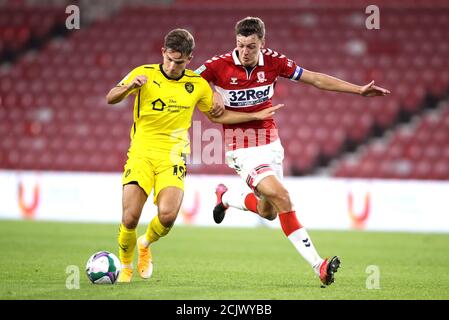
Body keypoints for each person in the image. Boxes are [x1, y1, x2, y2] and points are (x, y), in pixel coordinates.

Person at [195, 17, 390, 286]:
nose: (245, 51)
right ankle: (318, 264)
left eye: (251, 46)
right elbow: (186, 83)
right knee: (282, 197)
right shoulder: (218, 66)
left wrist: (358, 90)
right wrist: (210, 91)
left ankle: (226, 197)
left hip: (270, 143)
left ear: (263, 43)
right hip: (241, 146)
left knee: (269, 212)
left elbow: (315, 79)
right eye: (240, 45)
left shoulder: (275, 62)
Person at [106, 28, 282, 283]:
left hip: (174, 155)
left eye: (180, 62)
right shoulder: (143, 73)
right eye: (169, 59)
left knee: (167, 217)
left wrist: (254, 116)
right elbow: (111, 97)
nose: (174, 66)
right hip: (141, 153)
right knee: (130, 216)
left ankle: (145, 244)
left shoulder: (196, 85)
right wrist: (128, 87)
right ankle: (125, 267)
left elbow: (217, 116)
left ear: (189, 59)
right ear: (163, 52)